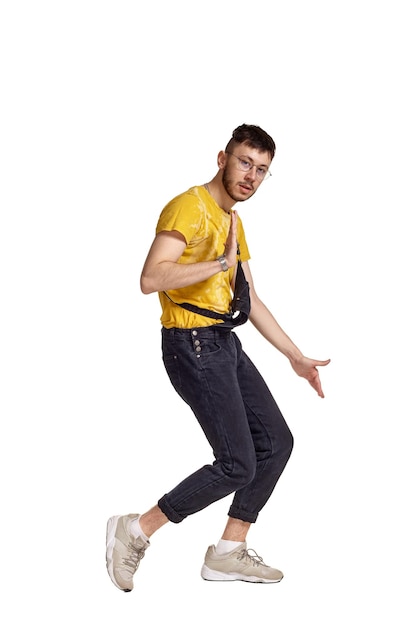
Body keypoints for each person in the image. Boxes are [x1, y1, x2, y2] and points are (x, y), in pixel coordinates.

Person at [106, 123, 330, 592]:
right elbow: (151, 278)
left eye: (262, 170)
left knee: (277, 442)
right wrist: (222, 263)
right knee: (237, 463)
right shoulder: (190, 206)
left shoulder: (234, 220)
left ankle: (228, 552)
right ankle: (136, 529)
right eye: (245, 162)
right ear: (222, 158)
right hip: (190, 346)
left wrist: (295, 356)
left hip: (224, 342)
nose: (251, 176)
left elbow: (250, 299)